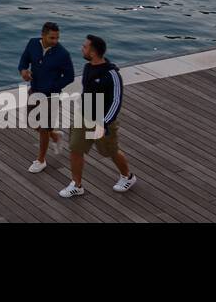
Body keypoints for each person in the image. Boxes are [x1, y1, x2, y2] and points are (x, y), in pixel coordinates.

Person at [58, 35, 136, 198]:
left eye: (85, 47)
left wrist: (105, 123)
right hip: (84, 116)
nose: (82, 48)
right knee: (75, 149)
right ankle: (76, 185)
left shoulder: (112, 74)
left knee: (111, 152)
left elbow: (116, 101)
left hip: (102, 121)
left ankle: (128, 177)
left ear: (93, 52)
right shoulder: (87, 68)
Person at [18, 21, 75, 173]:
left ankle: (41, 160)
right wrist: (23, 70)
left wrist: (53, 87)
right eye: (52, 38)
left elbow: (70, 76)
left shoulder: (62, 54)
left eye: (57, 38)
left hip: (51, 97)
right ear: (43, 35)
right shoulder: (32, 44)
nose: (55, 41)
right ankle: (55, 135)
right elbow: (24, 60)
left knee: (43, 129)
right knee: (32, 123)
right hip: (34, 91)